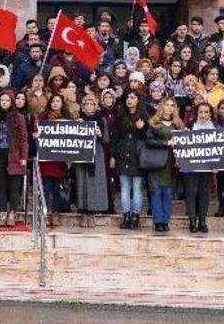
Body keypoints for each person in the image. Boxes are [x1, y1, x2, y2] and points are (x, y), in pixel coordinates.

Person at [0, 90, 29, 227]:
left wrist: (24, 156)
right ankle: (2, 213)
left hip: (14, 155)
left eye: (7, 100)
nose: (4, 102)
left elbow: (24, 139)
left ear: (11, 102)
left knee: (14, 186)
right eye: (2, 100)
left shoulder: (19, 117)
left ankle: (12, 213)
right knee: (1, 185)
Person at [146, 97, 185, 233]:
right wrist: (165, 143)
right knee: (156, 192)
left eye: (172, 105)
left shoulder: (178, 124)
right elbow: (149, 141)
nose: (169, 107)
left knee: (167, 193)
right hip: (157, 161)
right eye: (167, 105)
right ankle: (158, 221)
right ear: (162, 107)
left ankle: (166, 220)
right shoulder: (154, 123)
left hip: (172, 163)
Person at [112, 91, 148, 230]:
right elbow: (116, 138)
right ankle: (126, 216)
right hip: (122, 156)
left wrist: (143, 128)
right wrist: (113, 156)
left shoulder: (144, 116)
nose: (129, 100)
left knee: (137, 189)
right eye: (128, 97)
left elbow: (150, 136)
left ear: (138, 101)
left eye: (132, 97)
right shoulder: (121, 116)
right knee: (125, 189)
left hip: (137, 157)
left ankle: (135, 217)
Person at [35, 94, 71, 228]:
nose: (55, 103)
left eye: (58, 101)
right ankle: (45, 214)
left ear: (62, 103)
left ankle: (55, 214)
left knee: (56, 189)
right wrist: (36, 135)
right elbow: (36, 131)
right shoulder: (43, 117)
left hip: (59, 161)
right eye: (53, 101)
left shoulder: (67, 119)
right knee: (46, 188)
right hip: (46, 160)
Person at [74, 94, 110, 226]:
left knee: (95, 181)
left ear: (95, 106)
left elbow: (106, 139)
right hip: (82, 153)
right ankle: (83, 211)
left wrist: (99, 133)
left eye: (91, 104)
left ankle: (93, 212)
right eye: (86, 104)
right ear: (83, 106)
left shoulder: (101, 119)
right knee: (82, 180)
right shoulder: (79, 119)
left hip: (97, 153)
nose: (89, 106)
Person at [186, 103, 217, 233]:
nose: (203, 115)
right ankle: (192, 220)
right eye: (201, 112)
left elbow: (219, 148)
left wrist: (217, 164)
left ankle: (203, 221)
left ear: (210, 114)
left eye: (206, 112)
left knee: (204, 193)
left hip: (207, 166)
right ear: (197, 113)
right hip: (192, 166)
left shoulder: (215, 128)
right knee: (191, 192)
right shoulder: (190, 127)